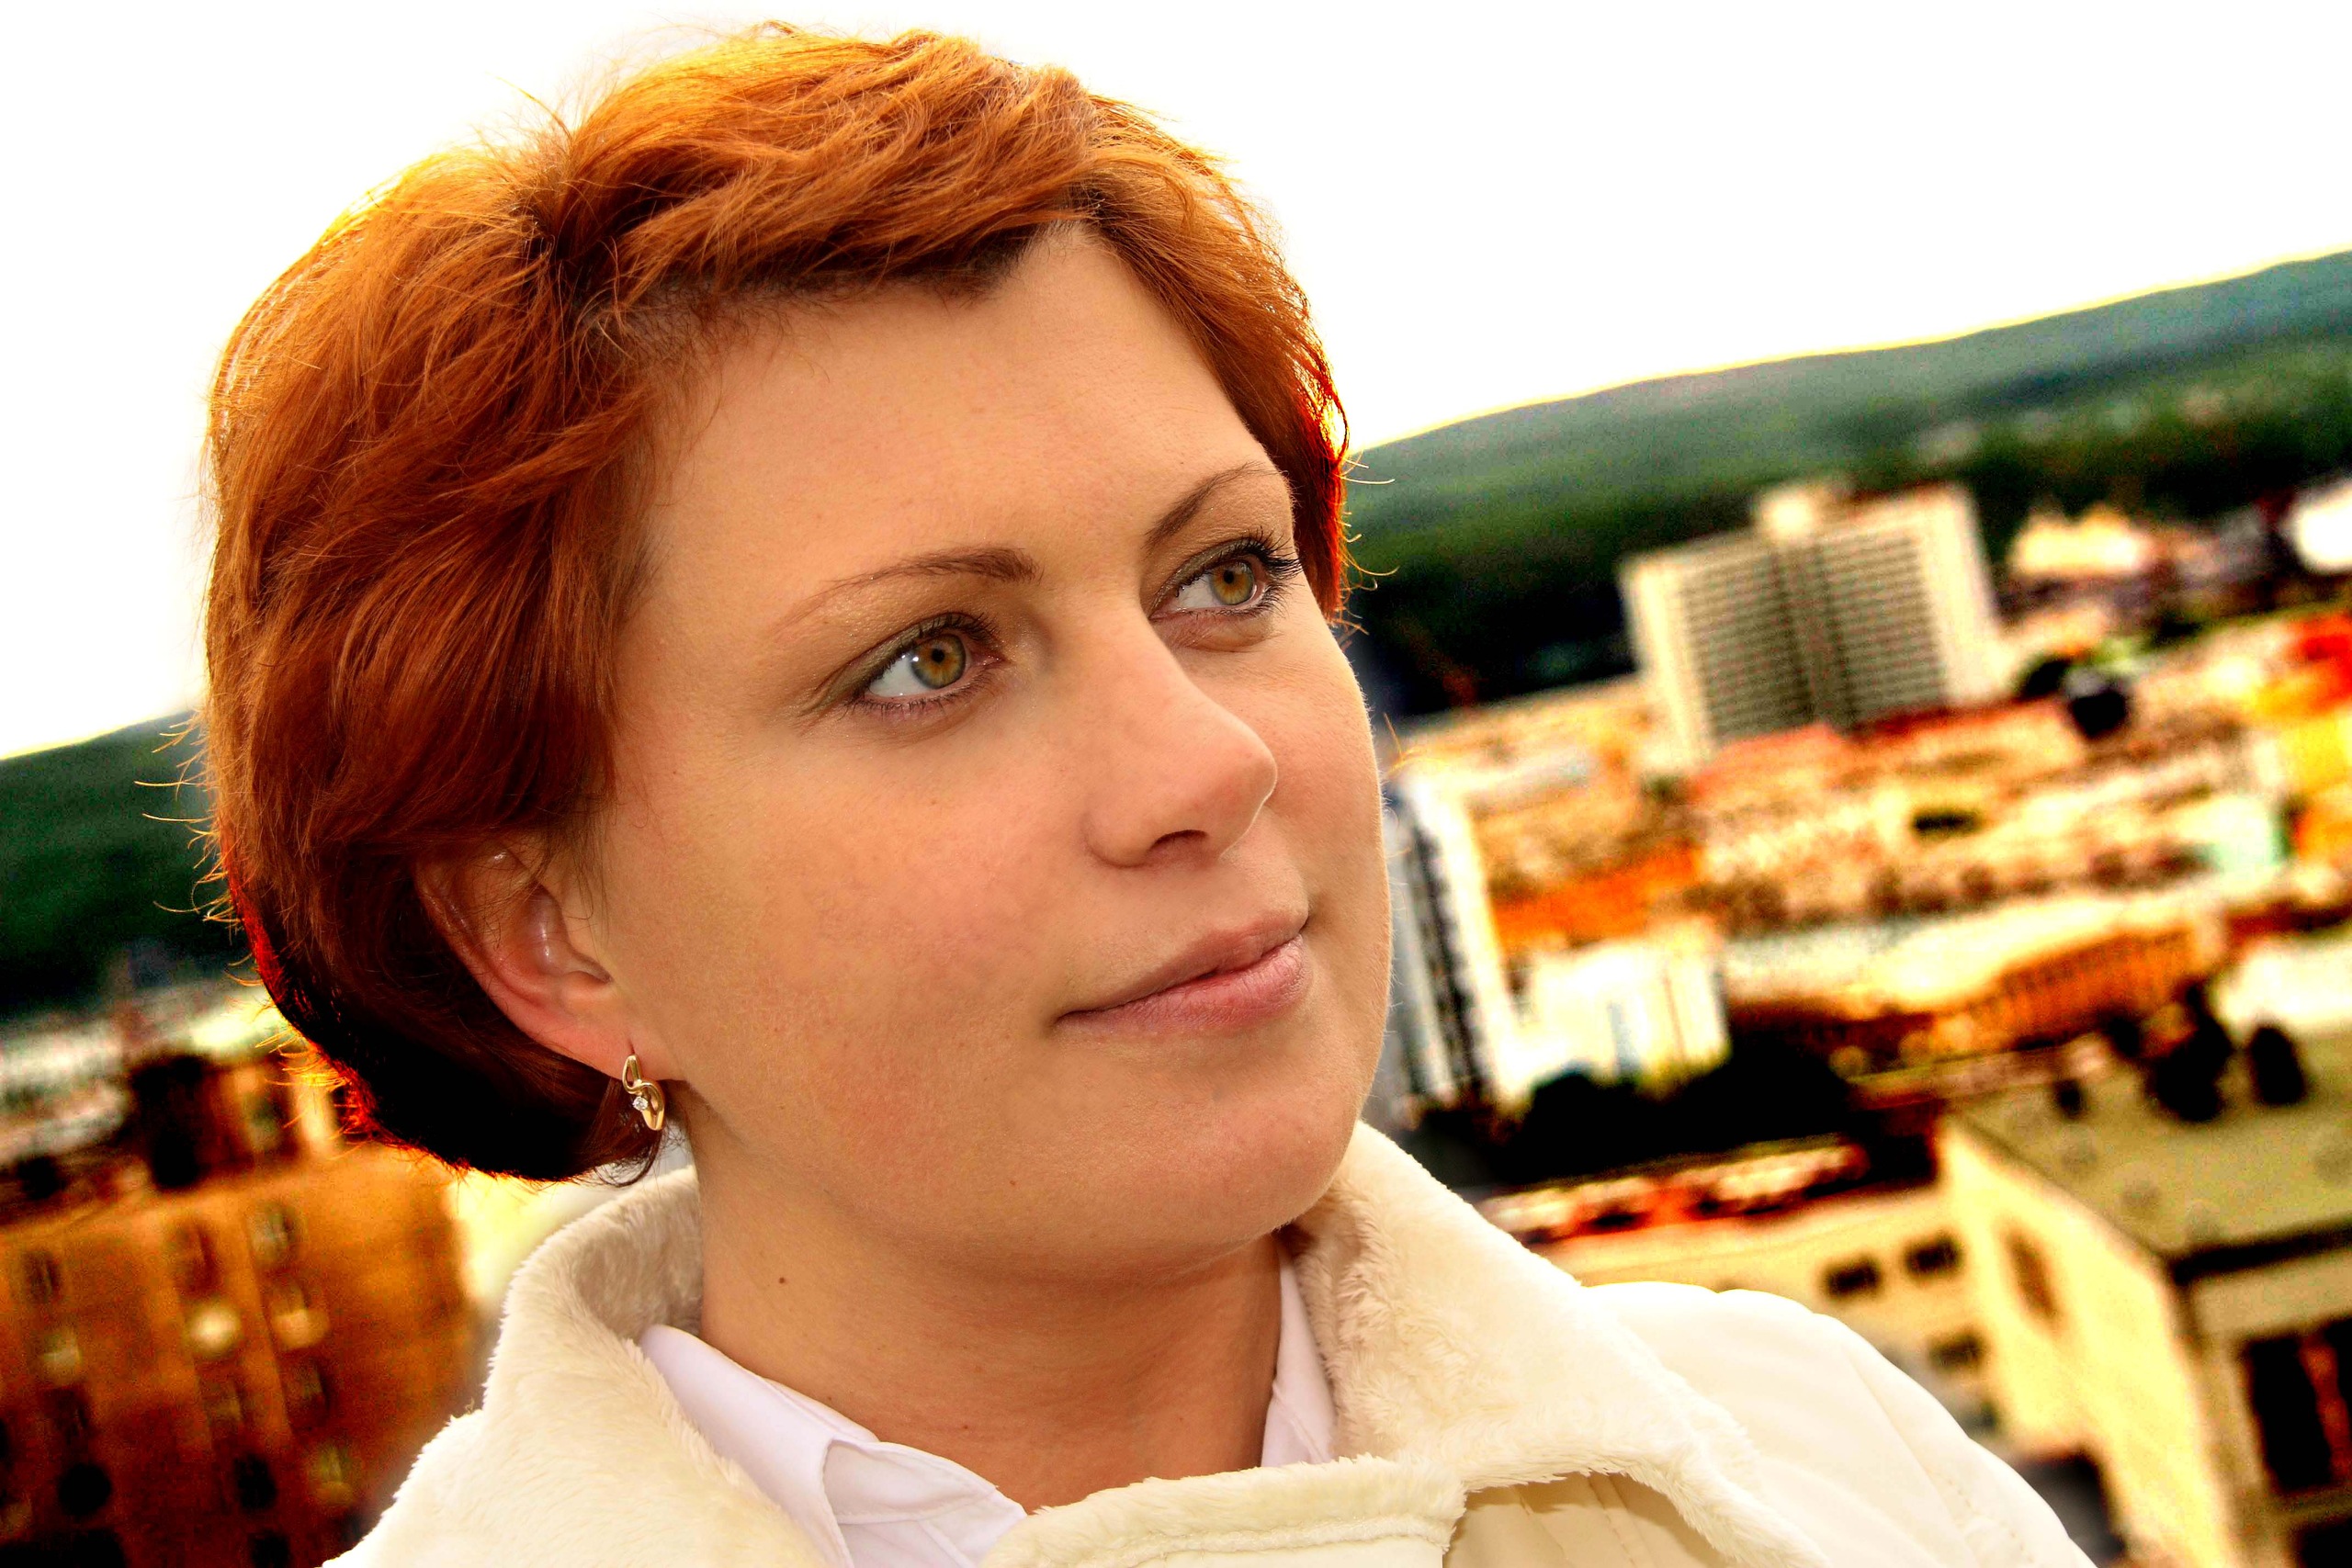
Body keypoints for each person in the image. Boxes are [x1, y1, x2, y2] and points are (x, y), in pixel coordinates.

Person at [202, 26, 2090, 1568]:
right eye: (927, 659)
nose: (1209, 758)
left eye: (1225, 574)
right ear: (553, 934)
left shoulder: (1824, 1471)